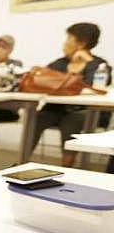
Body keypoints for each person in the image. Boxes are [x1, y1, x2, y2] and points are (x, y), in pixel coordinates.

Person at [29, 23, 111, 166]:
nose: (64, 43)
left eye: (68, 39)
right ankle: (21, 160)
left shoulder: (98, 64)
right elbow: (43, 80)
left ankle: (67, 168)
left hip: (86, 111)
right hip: (57, 109)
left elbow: (95, 86)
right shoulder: (60, 63)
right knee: (37, 117)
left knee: (73, 120)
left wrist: (88, 61)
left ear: (81, 43)